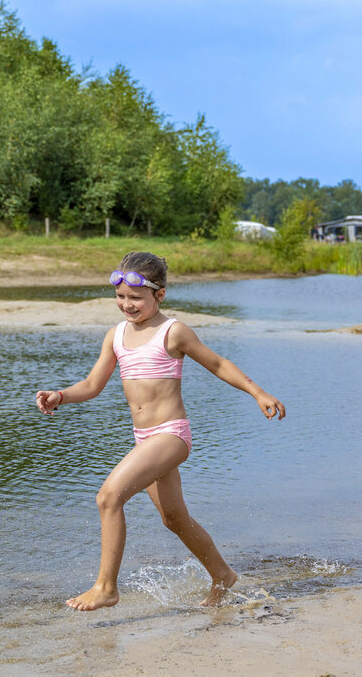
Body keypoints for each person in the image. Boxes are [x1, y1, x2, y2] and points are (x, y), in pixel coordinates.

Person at [35, 252, 286, 611]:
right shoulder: (116, 336)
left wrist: (258, 392)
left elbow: (218, 364)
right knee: (174, 519)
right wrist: (60, 396)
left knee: (108, 498)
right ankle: (223, 575)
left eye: (136, 298)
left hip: (170, 436)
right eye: (121, 297)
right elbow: (92, 384)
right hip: (145, 439)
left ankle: (106, 587)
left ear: (160, 295)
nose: (127, 305)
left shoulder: (173, 332)